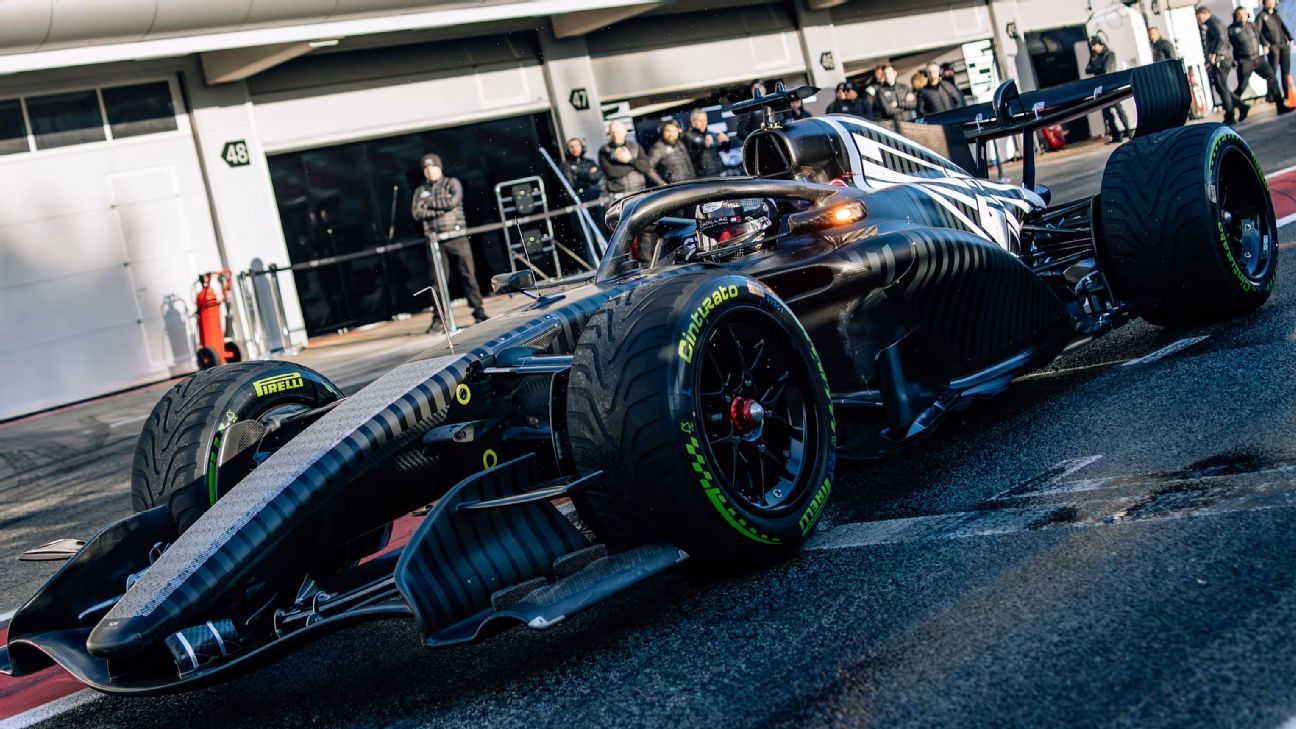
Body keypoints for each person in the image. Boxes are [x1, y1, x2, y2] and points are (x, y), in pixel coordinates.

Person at [411, 153, 488, 331]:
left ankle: (479, 312)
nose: (429, 171)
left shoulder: (452, 182)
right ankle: (439, 319)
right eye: (426, 168)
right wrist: (439, 209)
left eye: (433, 167)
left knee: (468, 275)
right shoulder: (419, 190)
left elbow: (453, 201)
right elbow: (417, 213)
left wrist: (428, 204)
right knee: (438, 282)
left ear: (440, 167)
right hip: (434, 240)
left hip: (456, 236)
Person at [1229, 6, 1289, 114]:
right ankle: (1237, 107)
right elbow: (1228, 47)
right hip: (1245, 61)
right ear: (1236, 16)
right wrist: (1233, 61)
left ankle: (1280, 106)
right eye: (1240, 15)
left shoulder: (1251, 25)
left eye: (1244, 14)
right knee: (1241, 87)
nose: (1242, 17)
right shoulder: (1231, 30)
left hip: (1258, 58)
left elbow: (1259, 36)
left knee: (1272, 77)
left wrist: (1265, 44)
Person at [1198, 5, 1248, 124]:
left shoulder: (1213, 23)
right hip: (1222, 57)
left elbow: (1221, 37)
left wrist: (1214, 54)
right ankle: (1239, 107)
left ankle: (1231, 113)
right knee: (1222, 88)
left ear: (1204, 13)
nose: (1199, 20)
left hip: (1222, 57)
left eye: (1199, 17)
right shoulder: (1213, 23)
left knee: (1222, 87)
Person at [1085, 36, 1133, 142]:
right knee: (1106, 113)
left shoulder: (1109, 54)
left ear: (1100, 44)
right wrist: (1097, 67)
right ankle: (1116, 134)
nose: (1093, 48)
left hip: (1111, 86)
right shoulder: (1094, 57)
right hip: (1101, 88)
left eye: (1094, 46)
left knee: (1119, 110)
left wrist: (1096, 68)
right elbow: (1087, 69)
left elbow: (1106, 68)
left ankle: (1129, 132)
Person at [598, 120, 647, 200]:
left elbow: (646, 166)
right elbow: (612, 172)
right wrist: (634, 165)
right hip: (619, 195)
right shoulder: (604, 150)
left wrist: (629, 160)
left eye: (618, 131)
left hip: (640, 191)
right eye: (612, 132)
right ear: (609, 134)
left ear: (625, 131)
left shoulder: (635, 146)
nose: (616, 135)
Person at [1258, 0, 1293, 102]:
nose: (1273, 2)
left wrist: (1290, 39)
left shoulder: (1275, 14)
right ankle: (1271, 95)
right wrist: (1265, 44)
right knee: (1272, 72)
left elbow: (1282, 27)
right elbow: (1258, 32)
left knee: (1285, 71)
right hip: (1273, 47)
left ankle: (1287, 93)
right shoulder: (1261, 16)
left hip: (1283, 45)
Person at [646, 118, 696, 187]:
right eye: (667, 131)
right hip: (674, 189)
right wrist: (662, 184)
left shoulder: (680, 144)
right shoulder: (658, 147)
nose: (670, 134)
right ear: (662, 132)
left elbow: (689, 163)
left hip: (690, 184)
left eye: (673, 131)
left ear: (678, 132)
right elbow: (648, 168)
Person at [683, 108, 730, 178]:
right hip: (705, 176)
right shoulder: (688, 136)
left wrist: (726, 142)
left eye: (705, 120)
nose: (703, 123)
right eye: (700, 121)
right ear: (693, 121)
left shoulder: (709, 133)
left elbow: (725, 150)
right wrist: (704, 144)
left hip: (720, 171)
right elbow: (692, 155)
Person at [561, 138, 603, 203]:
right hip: (580, 199)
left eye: (577, 145)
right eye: (572, 147)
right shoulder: (566, 165)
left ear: (581, 146)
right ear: (568, 149)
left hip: (596, 197)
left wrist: (578, 172)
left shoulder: (589, 161)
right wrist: (589, 174)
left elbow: (597, 176)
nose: (575, 149)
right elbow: (572, 183)